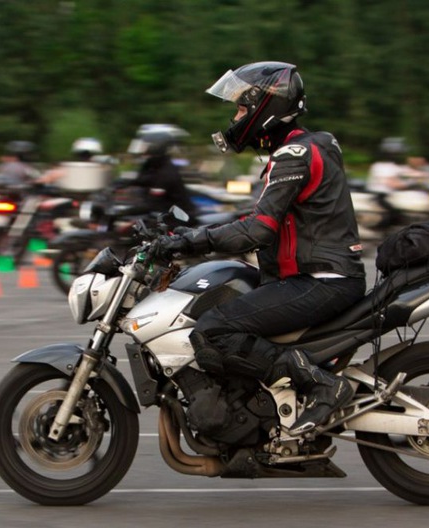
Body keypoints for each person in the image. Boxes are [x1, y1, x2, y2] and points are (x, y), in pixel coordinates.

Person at [155, 61, 366, 437]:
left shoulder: (294, 155)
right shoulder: (309, 146)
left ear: (264, 108)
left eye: (240, 108)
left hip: (321, 280)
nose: (235, 118)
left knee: (213, 330)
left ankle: (321, 384)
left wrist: (189, 242)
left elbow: (258, 230)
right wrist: (191, 234)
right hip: (320, 276)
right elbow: (265, 218)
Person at [120, 124, 198, 217]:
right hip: (162, 213)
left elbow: (152, 204)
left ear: (155, 147)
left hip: (179, 218)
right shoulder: (153, 166)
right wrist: (123, 183)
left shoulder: (165, 173)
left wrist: (122, 212)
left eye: (144, 146)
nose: (141, 152)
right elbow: (143, 180)